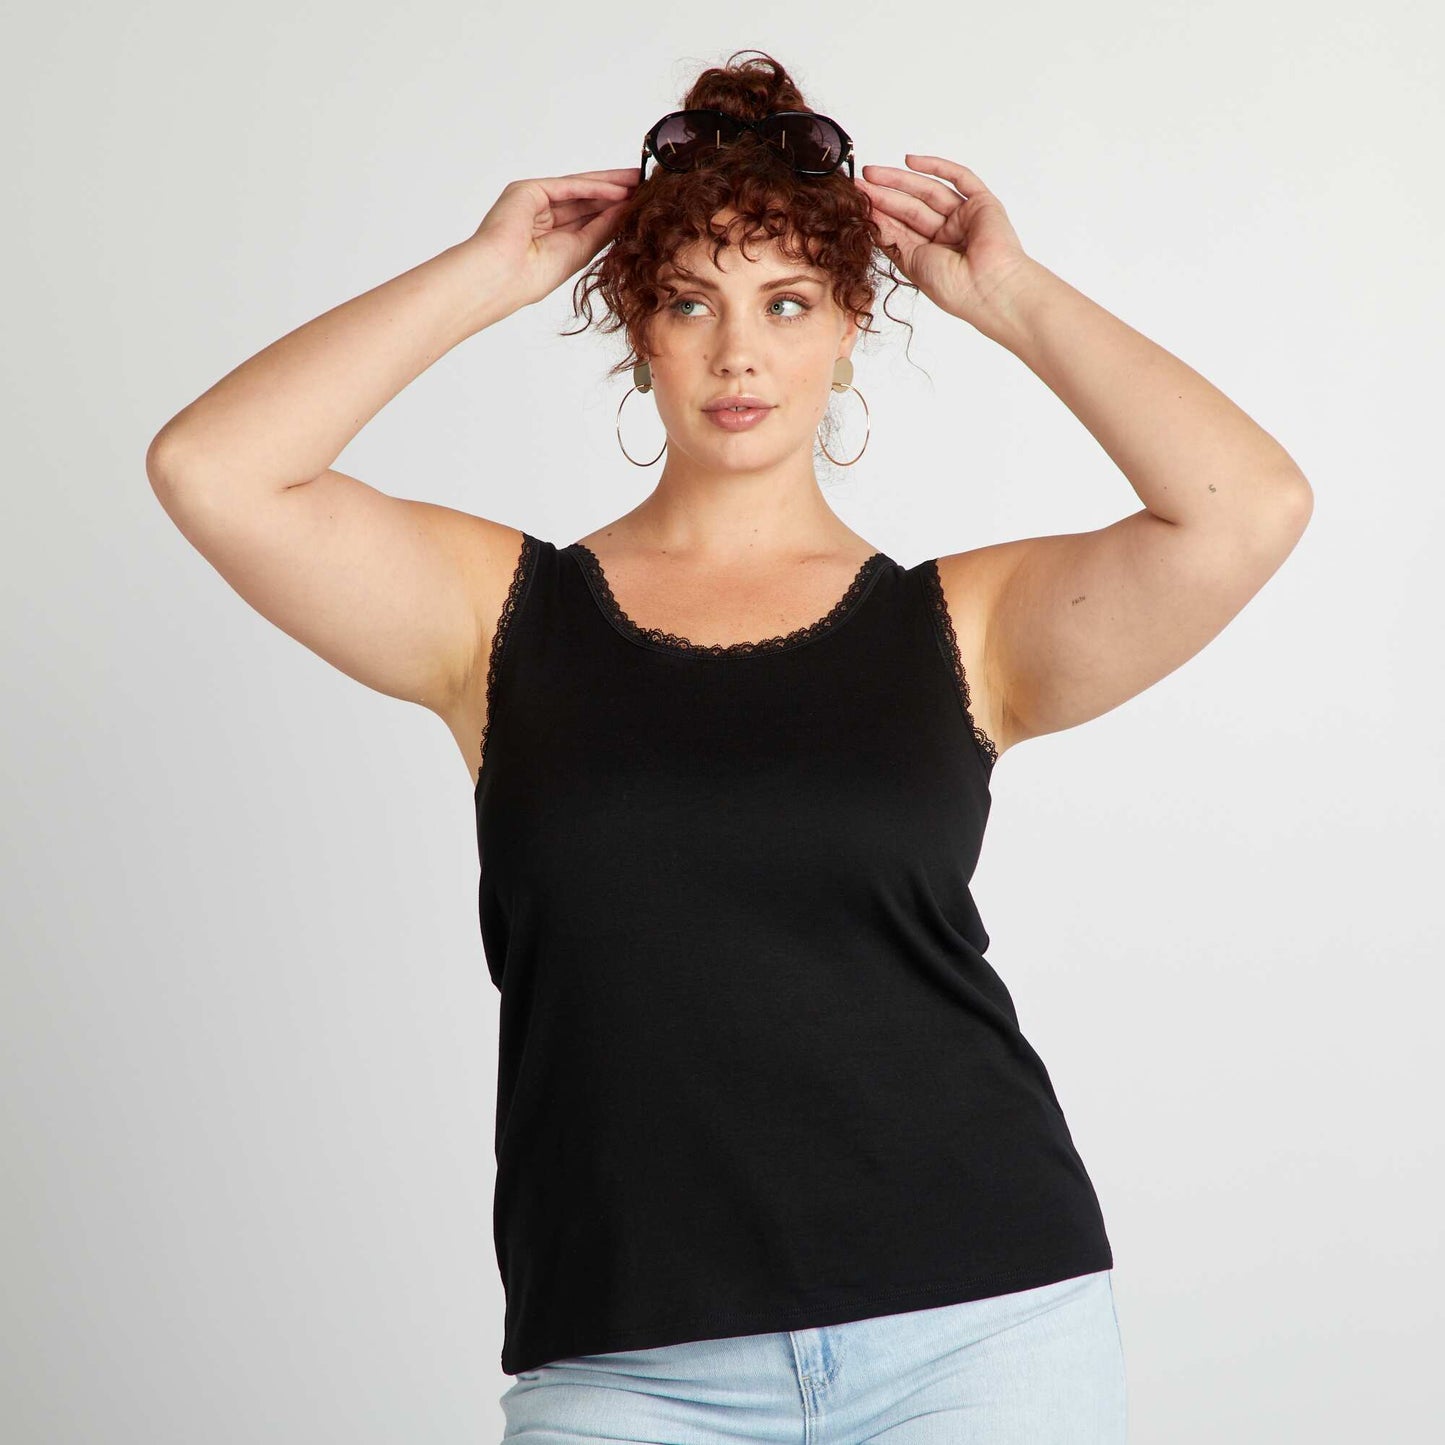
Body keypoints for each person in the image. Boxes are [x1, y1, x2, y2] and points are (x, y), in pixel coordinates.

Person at [146, 47, 1311, 1445]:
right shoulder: (498, 618)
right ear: (636, 326)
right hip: (630, 1367)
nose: (738, 352)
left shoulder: (967, 626)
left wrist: (1010, 296)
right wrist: (485, 274)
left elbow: (1246, 507)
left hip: (977, 1330)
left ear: (849, 324)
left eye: (786, 301)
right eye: (690, 301)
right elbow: (213, 469)